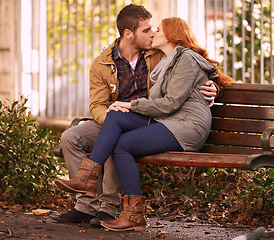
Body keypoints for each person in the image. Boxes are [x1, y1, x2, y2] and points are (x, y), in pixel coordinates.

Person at [55, 16, 232, 231]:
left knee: (121, 141)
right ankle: (91, 182)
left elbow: (172, 101)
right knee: (114, 119)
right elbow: (100, 105)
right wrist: (122, 108)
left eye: (157, 29)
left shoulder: (180, 58)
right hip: (166, 121)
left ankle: (123, 208)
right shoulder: (165, 60)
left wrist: (131, 106)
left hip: (185, 126)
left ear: (171, 35)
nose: (153, 33)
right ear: (129, 33)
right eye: (148, 30)